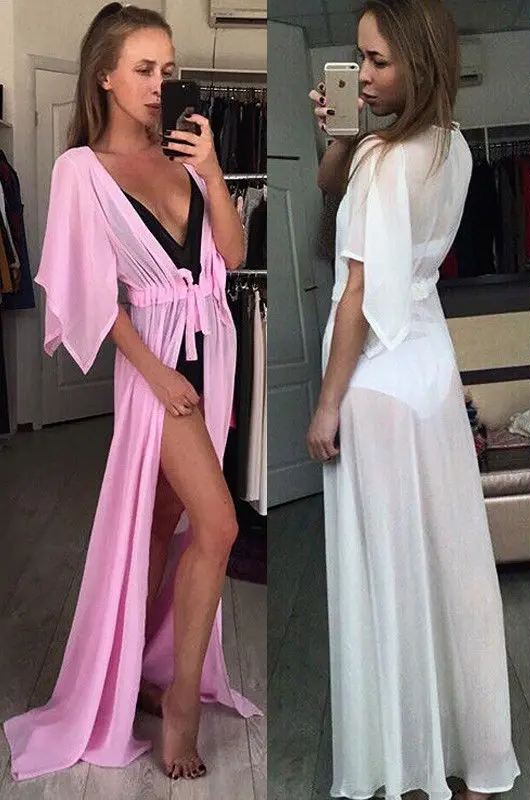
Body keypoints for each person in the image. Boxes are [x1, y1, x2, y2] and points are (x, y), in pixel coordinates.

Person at [2, 3, 261, 782]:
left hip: (215, 349)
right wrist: (155, 372)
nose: (159, 84)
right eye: (144, 69)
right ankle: (179, 702)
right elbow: (91, 295)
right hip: (158, 362)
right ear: (105, 77)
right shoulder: (81, 171)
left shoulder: (185, 156)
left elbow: (233, 256)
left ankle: (133, 675)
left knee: (163, 521)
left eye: (167, 70)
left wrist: (213, 172)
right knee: (219, 525)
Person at [304, 2, 520, 799]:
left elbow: (356, 289)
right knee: (450, 567)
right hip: (431, 369)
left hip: (374, 384)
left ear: (420, 64)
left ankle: (406, 764)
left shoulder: (384, 160)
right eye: (359, 58)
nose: (362, 75)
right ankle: (469, 757)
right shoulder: (452, 148)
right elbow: (338, 189)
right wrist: (340, 138)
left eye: (379, 61)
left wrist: (326, 404)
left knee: (387, 585)